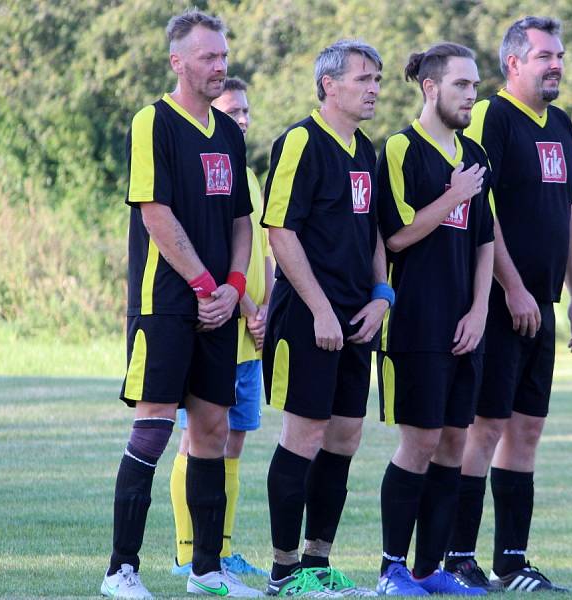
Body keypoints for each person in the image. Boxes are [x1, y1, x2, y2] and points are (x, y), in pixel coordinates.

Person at [100, 9, 261, 599]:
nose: (220, 66)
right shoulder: (153, 123)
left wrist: (234, 288)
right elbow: (155, 214)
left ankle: (206, 571)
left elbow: (243, 220)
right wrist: (202, 286)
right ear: (178, 62)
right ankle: (121, 570)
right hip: (166, 303)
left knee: (213, 430)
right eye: (207, 57)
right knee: (154, 426)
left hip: (220, 306)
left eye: (223, 55)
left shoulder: (230, 133)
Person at [444, 16, 572, 593]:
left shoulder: (561, 124)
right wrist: (513, 287)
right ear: (513, 64)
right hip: (501, 302)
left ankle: (512, 562)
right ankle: (457, 556)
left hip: (543, 304)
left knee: (526, 429)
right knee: (485, 426)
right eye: (544, 57)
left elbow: (569, 209)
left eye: (559, 56)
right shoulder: (492, 118)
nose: (556, 65)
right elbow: (484, 211)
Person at [261, 39, 389, 597]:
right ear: (328, 85)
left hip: (358, 319)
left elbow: (376, 232)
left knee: (345, 436)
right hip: (308, 318)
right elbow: (279, 230)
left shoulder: (367, 149)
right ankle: (283, 571)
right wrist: (320, 309)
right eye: (363, 78)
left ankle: (318, 564)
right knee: (305, 434)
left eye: (378, 79)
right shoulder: (298, 142)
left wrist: (383, 293)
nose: (374, 89)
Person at [374, 43, 495, 597]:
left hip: (464, 325)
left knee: (453, 444)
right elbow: (395, 235)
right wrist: (453, 196)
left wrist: (479, 309)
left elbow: (485, 241)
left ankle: (429, 571)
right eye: (461, 85)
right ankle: (391, 569)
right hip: (416, 324)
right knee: (418, 444)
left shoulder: (474, 154)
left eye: (475, 86)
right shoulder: (400, 149)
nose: (472, 95)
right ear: (430, 87)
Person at [169, 77, 273, 580]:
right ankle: (187, 550)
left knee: (234, 444)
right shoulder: (203, 166)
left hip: (252, 337)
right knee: (196, 443)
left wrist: (266, 308)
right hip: (219, 327)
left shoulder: (249, 175)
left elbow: (264, 250)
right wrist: (249, 308)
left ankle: (222, 548)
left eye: (247, 111)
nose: (243, 120)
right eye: (234, 111)